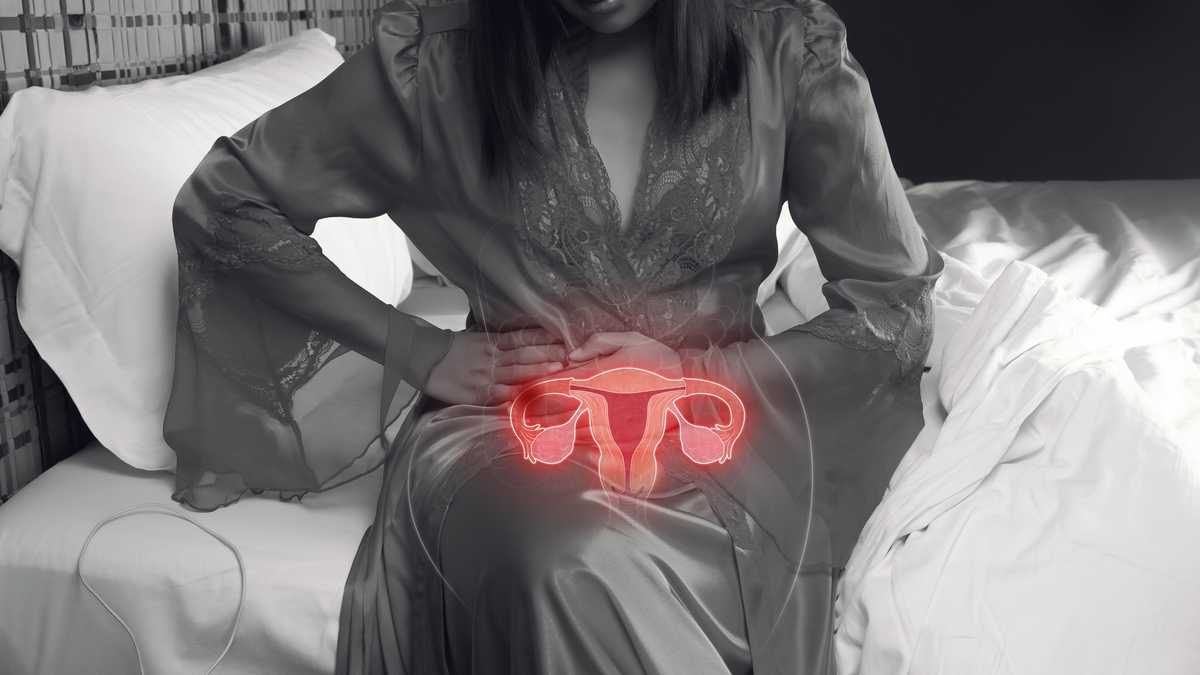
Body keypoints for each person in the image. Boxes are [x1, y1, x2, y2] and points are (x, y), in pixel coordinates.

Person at [164, 0, 943, 672]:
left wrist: (703, 374)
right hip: (514, 428)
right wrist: (420, 349)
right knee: (571, 558)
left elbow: (897, 304)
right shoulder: (437, 63)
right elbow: (225, 199)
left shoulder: (786, 49)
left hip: (719, 425)